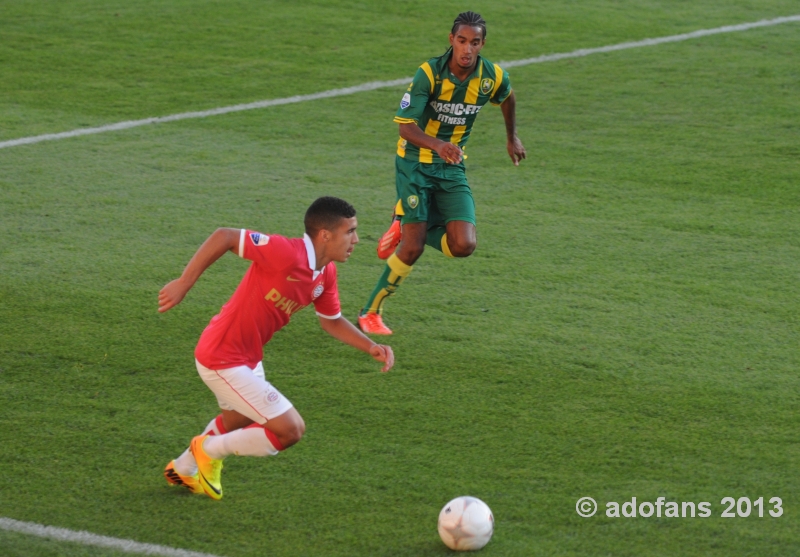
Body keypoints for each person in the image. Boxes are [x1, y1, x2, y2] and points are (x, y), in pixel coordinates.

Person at [159, 196, 394, 500]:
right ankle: (207, 450)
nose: (356, 239)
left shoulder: (325, 273)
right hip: (221, 356)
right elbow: (226, 236)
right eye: (350, 231)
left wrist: (370, 346)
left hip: (248, 358)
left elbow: (331, 321)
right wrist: (184, 282)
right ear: (325, 234)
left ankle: (182, 467)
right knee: (290, 430)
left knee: (236, 421)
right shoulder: (285, 252)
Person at [358, 11, 526, 335]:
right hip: (415, 164)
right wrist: (438, 145)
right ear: (451, 40)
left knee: (463, 245)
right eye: (461, 41)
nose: (467, 49)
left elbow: (507, 97)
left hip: (451, 166)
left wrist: (511, 137)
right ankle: (370, 312)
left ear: (482, 44)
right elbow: (406, 128)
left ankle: (403, 221)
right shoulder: (429, 73)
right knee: (413, 247)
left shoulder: (491, 76)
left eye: (474, 42)